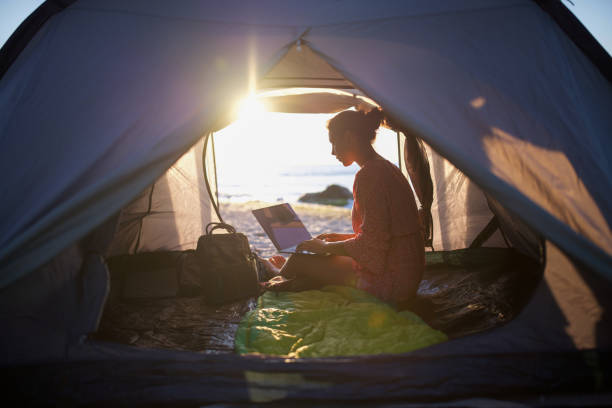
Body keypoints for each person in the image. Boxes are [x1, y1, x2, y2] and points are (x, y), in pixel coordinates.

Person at [261, 108, 424, 307]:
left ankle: (278, 274)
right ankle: (295, 272)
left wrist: (326, 248)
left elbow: (373, 250)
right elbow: (383, 235)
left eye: (333, 142)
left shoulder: (370, 175)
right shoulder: (386, 167)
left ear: (348, 138)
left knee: (299, 261)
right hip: (407, 275)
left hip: (393, 282)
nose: (332, 152)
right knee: (320, 255)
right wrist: (339, 239)